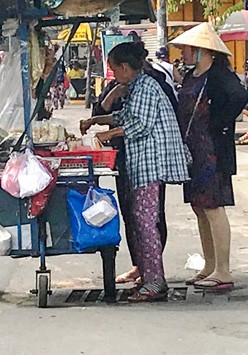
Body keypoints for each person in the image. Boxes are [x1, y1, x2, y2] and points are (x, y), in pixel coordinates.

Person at [94, 42, 190, 302]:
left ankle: (155, 282)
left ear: (125, 67)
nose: (113, 76)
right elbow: (125, 115)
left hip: (152, 162)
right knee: (140, 220)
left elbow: (140, 124)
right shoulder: (137, 88)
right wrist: (96, 121)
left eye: (114, 70)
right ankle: (148, 278)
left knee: (146, 224)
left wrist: (109, 133)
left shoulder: (147, 87)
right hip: (142, 163)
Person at [170, 22, 248, 291]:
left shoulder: (218, 76)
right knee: (199, 207)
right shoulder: (192, 77)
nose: (183, 53)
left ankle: (223, 270)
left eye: (187, 48)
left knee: (214, 207)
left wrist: (221, 123)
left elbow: (239, 96)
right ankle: (210, 265)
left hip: (212, 150)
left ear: (203, 51)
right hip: (193, 151)